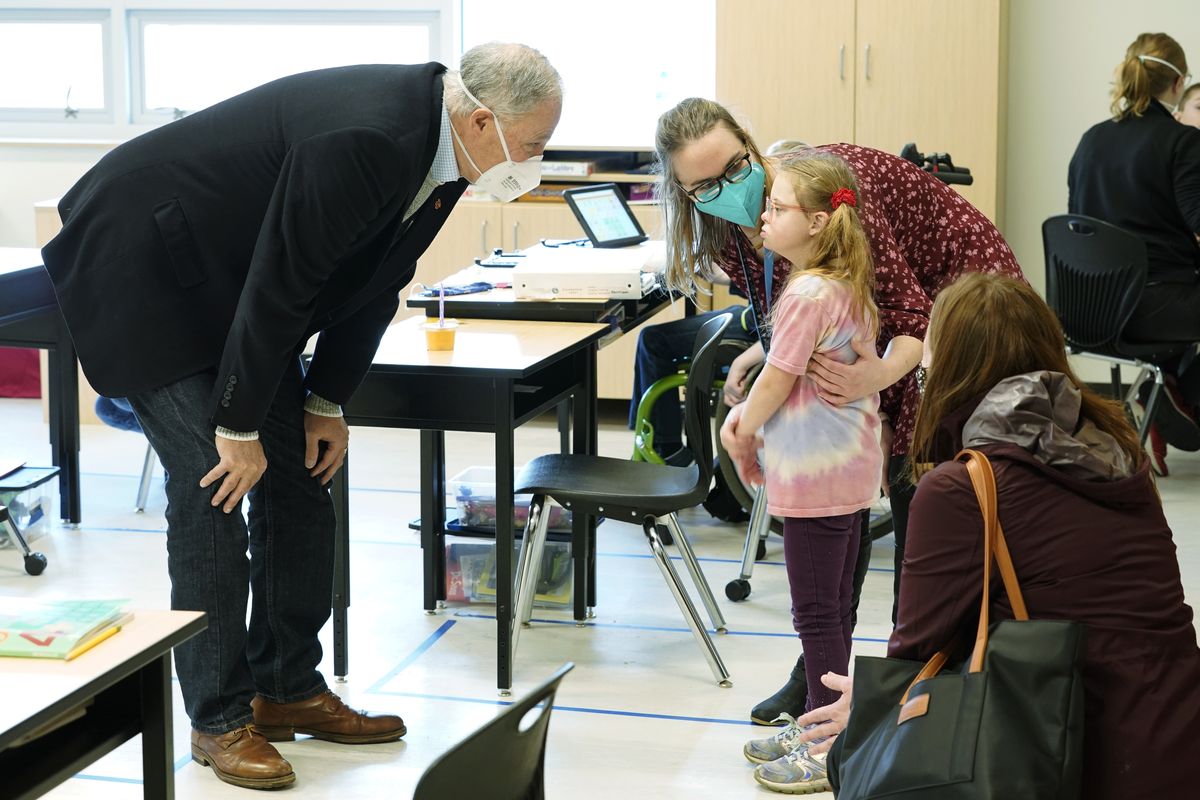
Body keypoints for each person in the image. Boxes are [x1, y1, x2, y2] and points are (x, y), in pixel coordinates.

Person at [40, 43, 562, 791]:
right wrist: (239, 424)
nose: (537, 160)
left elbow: (376, 280)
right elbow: (284, 278)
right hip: (146, 263)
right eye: (536, 144)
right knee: (214, 484)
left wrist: (325, 400)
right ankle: (216, 719)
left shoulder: (444, 151)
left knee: (300, 481)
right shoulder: (370, 136)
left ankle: (285, 689)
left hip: (231, 282)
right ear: (484, 120)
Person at [641, 97, 1024, 724]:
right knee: (841, 520)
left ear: (751, 141)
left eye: (735, 168)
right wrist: (767, 355)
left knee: (917, 502)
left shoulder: (824, 193)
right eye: (703, 186)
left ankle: (912, 682)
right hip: (885, 337)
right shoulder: (744, 226)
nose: (726, 191)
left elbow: (912, 311)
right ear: (683, 193)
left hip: (963, 309)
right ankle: (826, 677)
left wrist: (876, 376)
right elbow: (801, 305)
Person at [793, 273, 1200, 800]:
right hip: (1177, 732)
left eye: (930, 352)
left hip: (1069, 750)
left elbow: (916, 651)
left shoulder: (963, 486)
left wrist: (867, 706)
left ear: (951, 369)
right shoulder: (1118, 452)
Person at [721, 152, 883, 795]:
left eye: (778, 207)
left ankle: (826, 747)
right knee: (835, 609)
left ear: (818, 222)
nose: (763, 215)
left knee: (816, 615)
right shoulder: (845, 282)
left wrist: (741, 428)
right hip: (849, 472)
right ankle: (827, 723)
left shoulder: (807, 293)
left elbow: (779, 375)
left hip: (817, 479)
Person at [1068, 32, 1200, 471]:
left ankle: (1164, 389)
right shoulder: (1182, 142)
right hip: (1154, 309)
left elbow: (1076, 223)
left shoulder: (1090, 140)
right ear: (1178, 85)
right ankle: (1178, 393)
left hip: (1085, 311)